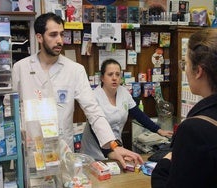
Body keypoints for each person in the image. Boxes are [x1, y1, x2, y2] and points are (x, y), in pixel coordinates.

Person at [12, 12, 143, 168]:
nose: (59, 40)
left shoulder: (75, 70)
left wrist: (114, 146)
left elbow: (93, 110)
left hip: (62, 149)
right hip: (31, 149)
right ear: (39, 37)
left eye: (61, 34)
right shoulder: (21, 68)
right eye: (53, 35)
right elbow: (13, 110)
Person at [151, 27, 217, 187]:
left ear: (198, 71)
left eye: (185, 63)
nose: (185, 69)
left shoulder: (195, 130)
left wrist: (164, 165)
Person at [82, 59, 173, 160]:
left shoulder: (124, 93)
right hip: (94, 151)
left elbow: (138, 114)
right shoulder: (94, 97)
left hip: (116, 147)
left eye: (117, 74)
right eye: (110, 74)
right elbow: (95, 129)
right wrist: (109, 152)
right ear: (102, 78)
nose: (114, 78)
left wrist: (158, 130)